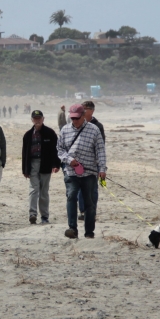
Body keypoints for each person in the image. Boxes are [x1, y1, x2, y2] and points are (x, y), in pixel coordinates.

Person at [57, 103, 107, 240]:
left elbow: (101, 151)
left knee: (89, 202)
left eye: (77, 118)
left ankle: (89, 232)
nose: (75, 121)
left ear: (83, 116)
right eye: (72, 118)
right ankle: (72, 228)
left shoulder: (94, 130)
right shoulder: (65, 130)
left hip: (89, 172)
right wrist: (68, 159)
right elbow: (60, 150)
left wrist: (102, 169)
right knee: (71, 196)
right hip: (71, 172)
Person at [22, 110, 60, 225]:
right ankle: (32, 214)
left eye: (39, 118)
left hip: (46, 164)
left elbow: (56, 150)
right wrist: (25, 169)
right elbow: (24, 153)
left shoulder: (50, 133)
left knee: (44, 192)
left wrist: (56, 164)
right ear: (32, 120)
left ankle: (44, 216)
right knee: (33, 190)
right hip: (32, 164)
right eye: (35, 118)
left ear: (43, 119)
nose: (37, 120)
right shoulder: (28, 135)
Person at [77, 100, 106, 220]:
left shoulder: (98, 126)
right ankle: (83, 211)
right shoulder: (78, 123)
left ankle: (92, 211)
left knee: (93, 188)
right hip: (79, 162)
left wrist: (102, 166)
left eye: (85, 109)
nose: (82, 111)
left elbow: (101, 146)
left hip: (93, 162)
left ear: (92, 111)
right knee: (80, 188)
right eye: (81, 109)